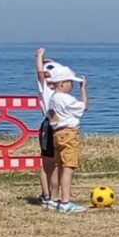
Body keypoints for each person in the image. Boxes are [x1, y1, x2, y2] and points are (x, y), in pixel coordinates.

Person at [33, 50, 89, 213]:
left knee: (57, 165)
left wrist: (44, 60)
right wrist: (40, 57)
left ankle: (53, 197)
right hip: (55, 128)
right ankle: (51, 196)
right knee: (52, 164)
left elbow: (44, 72)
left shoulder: (55, 94)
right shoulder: (48, 90)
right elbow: (40, 74)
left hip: (55, 127)